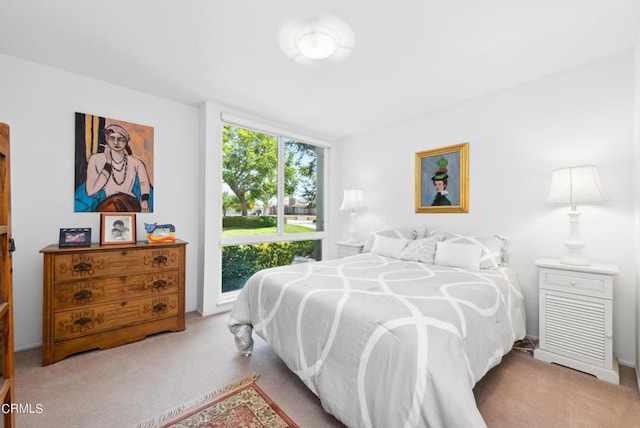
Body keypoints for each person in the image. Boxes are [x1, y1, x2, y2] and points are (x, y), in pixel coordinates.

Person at [81, 124, 152, 212]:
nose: (116, 143)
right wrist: (108, 163)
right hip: (109, 202)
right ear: (107, 139)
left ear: (126, 141)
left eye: (121, 139)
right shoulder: (96, 159)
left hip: (129, 202)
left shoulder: (136, 163)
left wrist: (144, 201)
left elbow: (143, 183)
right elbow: (91, 191)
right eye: (112, 138)